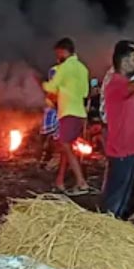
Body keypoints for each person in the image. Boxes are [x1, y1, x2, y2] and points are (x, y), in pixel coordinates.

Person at [102, 41, 134, 219]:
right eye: (130, 59)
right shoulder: (115, 83)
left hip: (132, 146)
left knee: (125, 188)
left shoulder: (125, 82)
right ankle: (107, 224)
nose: (133, 62)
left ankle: (116, 222)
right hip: (122, 146)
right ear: (121, 61)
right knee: (117, 191)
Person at [41, 38, 92, 195]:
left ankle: (81, 183)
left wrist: (41, 84)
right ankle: (60, 181)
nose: (57, 57)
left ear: (63, 51)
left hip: (68, 112)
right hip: (80, 113)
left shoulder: (64, 68)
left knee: (65, 146)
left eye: (58, 53)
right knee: (66, 146)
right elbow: (85, 92)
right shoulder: (83, 68)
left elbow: (52, 87)